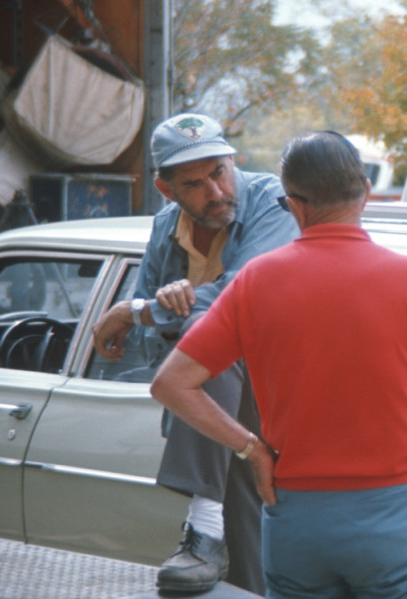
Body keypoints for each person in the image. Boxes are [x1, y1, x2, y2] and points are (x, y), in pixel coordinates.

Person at [150, 130, 407, 599]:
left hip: (296, 514)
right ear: (365, 193)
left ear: (294, 205)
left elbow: (171, 384)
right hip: (396, 513)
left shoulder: (256, 282)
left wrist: (253, 450)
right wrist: (396, 369)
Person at [92, 113, 298, 595]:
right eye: (195, 183)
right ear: (168, 191)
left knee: (212, 332)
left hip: (279, 397)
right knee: (245, 552)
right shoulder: (166, 225)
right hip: (215, 410)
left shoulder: (272, 200)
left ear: (234, 161)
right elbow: (147, 349)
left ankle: (202, 529)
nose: (216, 190)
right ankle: (209, 531)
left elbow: (245, 296)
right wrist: (159, 317)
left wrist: (137, 308)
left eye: (220, 172)